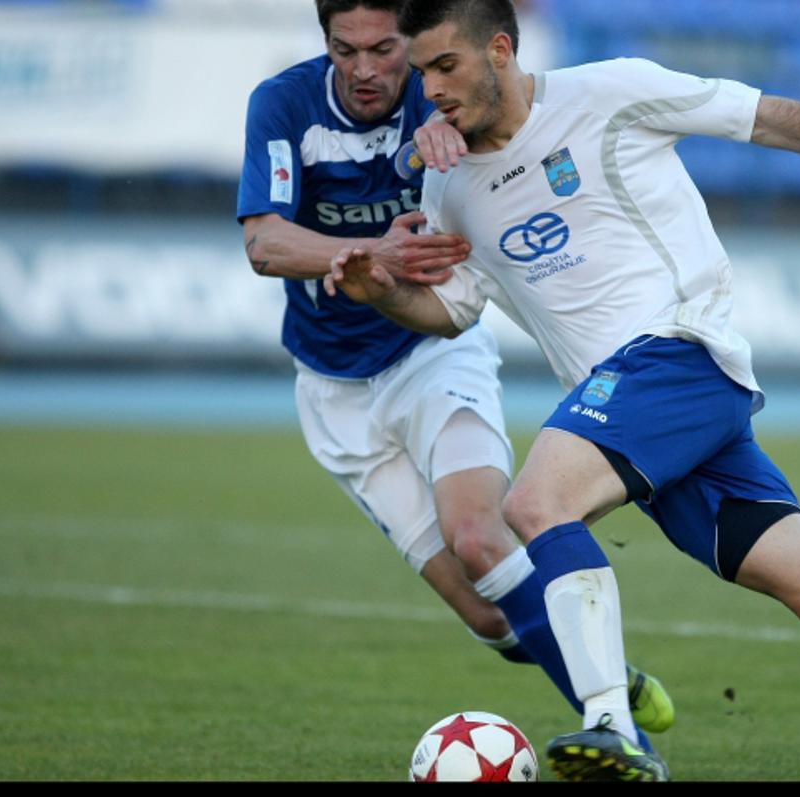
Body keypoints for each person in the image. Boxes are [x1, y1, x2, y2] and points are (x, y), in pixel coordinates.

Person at [328, 0, 800, 783]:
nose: (429, 89)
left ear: (499, 49)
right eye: (422, 71)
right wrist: (377, 293)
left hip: (680, 354)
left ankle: (611, 724)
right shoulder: (448, 183)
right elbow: (453, 308)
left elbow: (762, 119)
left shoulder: (611, 91)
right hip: (643, 415)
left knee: (535, 506)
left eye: (444, 66)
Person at [236, 0, 673, 745]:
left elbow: (508, 118)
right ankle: (603, 673)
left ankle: (613, 730)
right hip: (332, 390)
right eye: (346, 50)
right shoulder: (283, 104)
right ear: (325, 44)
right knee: (489, 614)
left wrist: (451, 133)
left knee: (478, 536)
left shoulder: (439, 90)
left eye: (385, 50)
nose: (368, 69)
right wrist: (377, 252)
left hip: (432, 353)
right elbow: (265, 244)